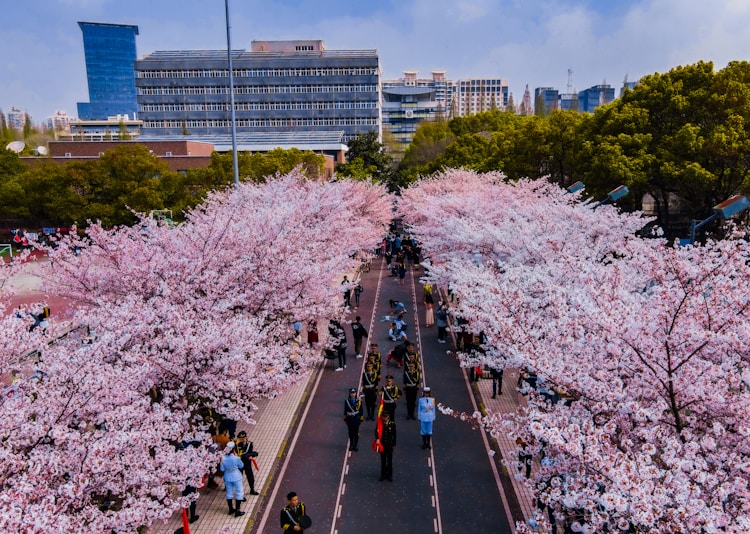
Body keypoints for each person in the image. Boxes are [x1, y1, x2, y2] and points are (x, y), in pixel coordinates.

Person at [220, 442, 245, 517]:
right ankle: (238, 510)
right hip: (236, 476)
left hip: (227, 476)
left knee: (229, 492)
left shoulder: (223, 458)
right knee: (239, 492)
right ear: (233, 449)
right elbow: (241, 466)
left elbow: (222, 469)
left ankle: (230, 509)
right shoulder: (236, 458)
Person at [235, 431, 260, 496]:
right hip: (239, 464)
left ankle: (252, 489)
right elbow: (236, 453)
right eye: (241, 438)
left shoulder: (249, 444)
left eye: (244, 438)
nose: (242, 440)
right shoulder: (236, 445)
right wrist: (236, 444)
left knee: (250, 477)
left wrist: (252, 455)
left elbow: (250, 452)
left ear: (246, 437)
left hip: (247, 463)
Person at [375, 410, 397, 481]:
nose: (384, 418)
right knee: (383, 460)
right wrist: (377, 439)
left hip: (389, 445)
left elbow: (394, 435)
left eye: (385, 417)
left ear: (388, 417)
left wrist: (394, 444)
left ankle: (389, 475)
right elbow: (376, 432)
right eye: (383, 416)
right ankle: (383, 474)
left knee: (389, 460)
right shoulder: (380, 424)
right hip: (383, 444)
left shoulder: (392, 424)